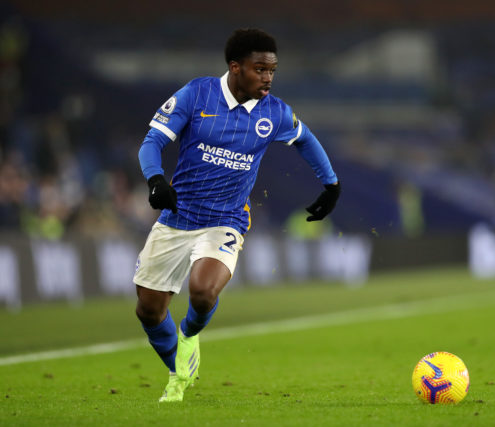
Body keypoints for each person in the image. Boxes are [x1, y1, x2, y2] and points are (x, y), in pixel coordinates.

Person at [133, 28, 340, 403]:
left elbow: (305, 139)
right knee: (148, 310)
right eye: (260, 69)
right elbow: (152, 142)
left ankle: (190, 336)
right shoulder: (197, 94)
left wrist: (331, 184)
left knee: (203, 291)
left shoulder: (274, 113)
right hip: (177, 216)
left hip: (226, 219)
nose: (268, 78)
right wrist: (155, 179)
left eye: (272, 71)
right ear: (235, 67)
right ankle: (179, 365)